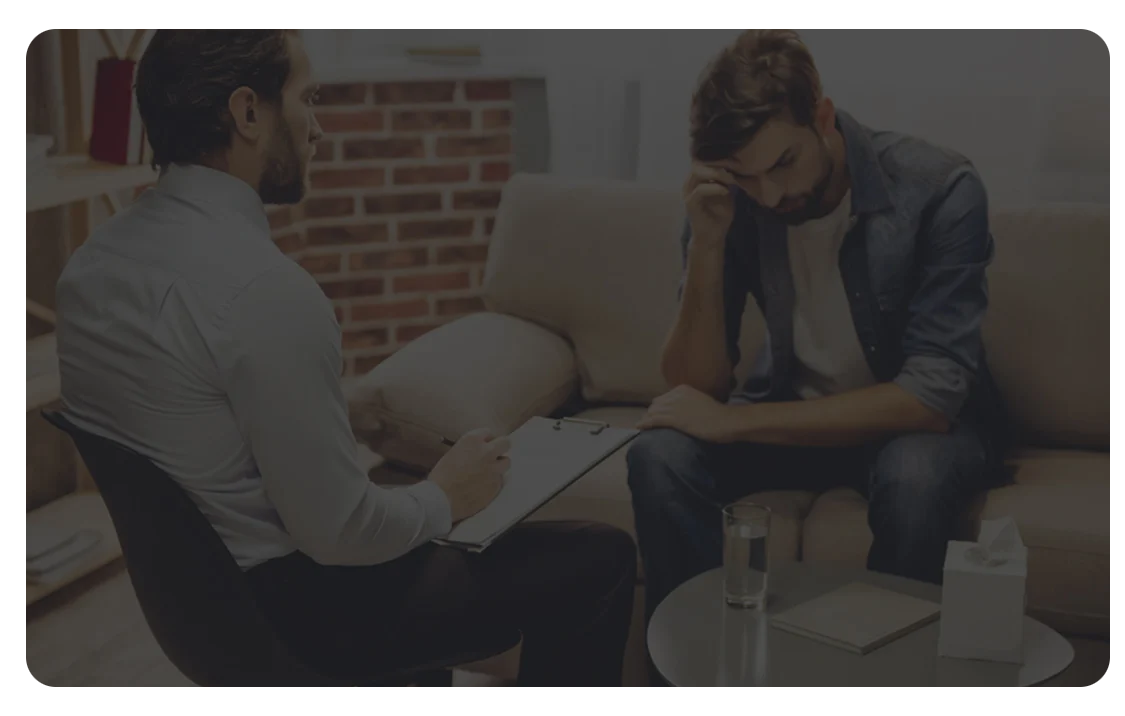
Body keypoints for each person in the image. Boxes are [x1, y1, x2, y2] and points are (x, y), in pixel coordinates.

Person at [54, 29, 636, 687]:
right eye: (309, 99)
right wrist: (445, 495)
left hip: (198, 622)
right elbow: (342, 534)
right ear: (248, 113)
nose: (318, 128)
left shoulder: (86, 272)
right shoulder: (262, 291)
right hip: (303, 617)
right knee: (599, 557)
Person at [627, 29, 1011, 628]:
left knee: (914, 474)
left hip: (913, 431)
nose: (770, 193)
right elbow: (692, 388)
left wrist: (735, 422)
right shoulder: (730, 199)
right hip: (792, 417)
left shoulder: (941, 188)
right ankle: (696, 657)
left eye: (784, 162)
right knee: (659, 453)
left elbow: (932, 396)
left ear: (823, 116)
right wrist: (706, 242)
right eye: (744, 174)